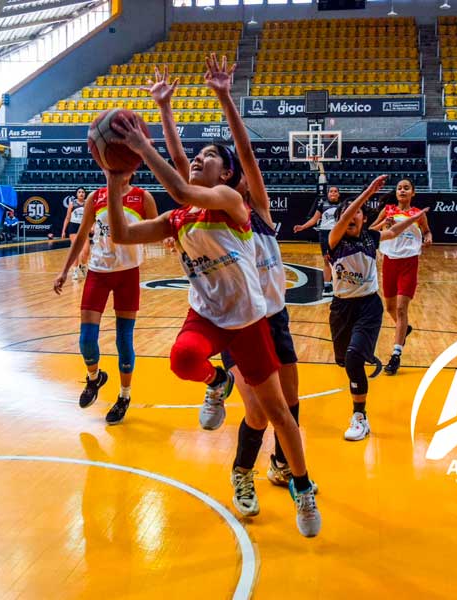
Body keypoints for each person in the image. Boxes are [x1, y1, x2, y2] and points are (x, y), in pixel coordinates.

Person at [106, 113, 322, 537]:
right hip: (207, 316)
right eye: (196, 154)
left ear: (226, 174)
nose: (198, 158)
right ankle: (216, 383)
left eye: (209, 155)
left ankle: (301, 485)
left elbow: (183, 187)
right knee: (183, 358)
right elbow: (122, 235)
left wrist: (140, 147)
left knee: (278, 411)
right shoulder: (177, 218)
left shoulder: (230, 201)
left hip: (249, 318)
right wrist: (116, 180)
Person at [155, 56, 310, 516]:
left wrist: (225, 96)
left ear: (231, 181)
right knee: (260, 412)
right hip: (236, 320)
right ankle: (243, 474)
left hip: (273, 318)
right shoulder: (203, 212)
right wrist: (166, 111)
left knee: (291, 402)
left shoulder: (253, 208)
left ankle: (284, 466)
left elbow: (246, 155)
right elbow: (183, 167)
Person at [329, 177, 428, 440]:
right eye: (348, 213)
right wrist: (368, 192)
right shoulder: (334, 240)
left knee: (353, 358)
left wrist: (417, 218)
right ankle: (365, 354)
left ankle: (359, 416)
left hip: (367, 306)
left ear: (363, 218)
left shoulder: (371, 237)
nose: (353, 216)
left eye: (359, 212)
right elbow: (345, 218)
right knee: (344, 361)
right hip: (341, 308)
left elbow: (394, 232)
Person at [53, 174, 157, 425]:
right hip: (98, 273)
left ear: (130, 168)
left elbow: (157, 228)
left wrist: (166, 239)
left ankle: (124, 396)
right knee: (86, 339)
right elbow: (80, 236)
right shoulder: (95, 197)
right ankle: (94, 378)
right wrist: (65, 270)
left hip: (128, 273)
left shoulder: (142, 197)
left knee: (124, 340)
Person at [368, 178, 432, 375]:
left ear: (413, 192)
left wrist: (428, 237)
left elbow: (426, 231)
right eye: (399, 188)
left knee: (402, 308)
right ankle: (404, 329)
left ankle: (395, 354)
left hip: (409, 262)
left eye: (406, 188)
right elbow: (370, 230)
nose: (402, 190)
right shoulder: (387, 210)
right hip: (389, 261)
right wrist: (383, 224)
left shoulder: (417, 214)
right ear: (396, 193)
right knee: (390, 308)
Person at [293, 180, 342, 294]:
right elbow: (314, 220)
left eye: (335, 191)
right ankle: (327, 286)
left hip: (338, 233)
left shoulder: (343, 206)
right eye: (331, 191)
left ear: (338, 194)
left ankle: (340, 284)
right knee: (326, 260)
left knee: (340, 260)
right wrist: (302, 227)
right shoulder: (322, 205)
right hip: (325, 233)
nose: (333, 193)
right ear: (328, 194)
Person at [55, 187, 90, 280]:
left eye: (83, 192)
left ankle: (82, 266)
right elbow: (67, 217)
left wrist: (92, 226)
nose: (81, 193)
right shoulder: (72, 204)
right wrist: (63, 230)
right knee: (76, 249)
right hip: (73, 227)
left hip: (83, 227)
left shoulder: (87, 203)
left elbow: (91, 216)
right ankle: (74, 270)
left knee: (86, 251)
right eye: (79, 192)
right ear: (76, 194)